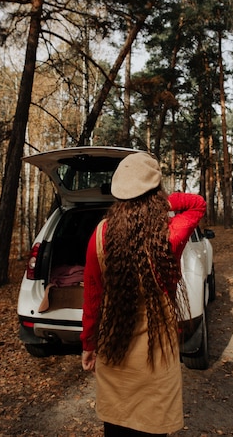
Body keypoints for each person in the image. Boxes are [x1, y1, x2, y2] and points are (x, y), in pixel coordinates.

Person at [81, 151, 207, 437]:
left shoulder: (100, 234)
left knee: (116, 427)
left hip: (115, 353)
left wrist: (88, 344)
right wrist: (161, 201)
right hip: (156, 357)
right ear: (155, 191)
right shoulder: (170, 234)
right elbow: (197, 205)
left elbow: (91, 296)